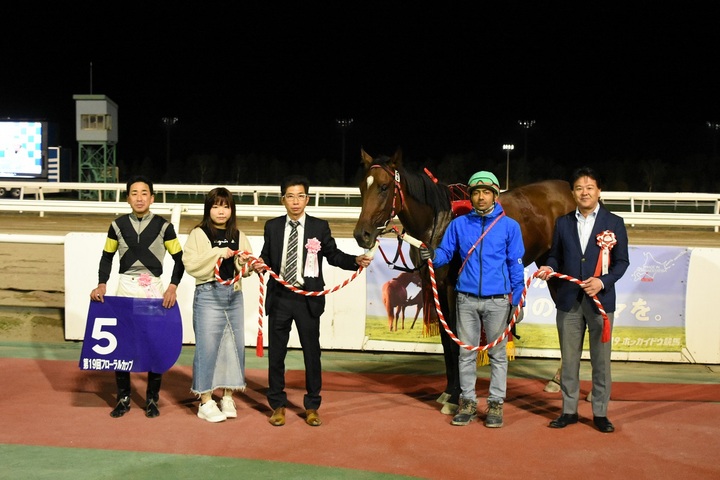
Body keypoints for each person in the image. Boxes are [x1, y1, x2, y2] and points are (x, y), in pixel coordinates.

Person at [253, 175, 372, 427]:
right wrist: (259, 264)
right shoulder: (272, 227)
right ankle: (278, 404)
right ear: (283, 200)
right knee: (276, 355)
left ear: (307, 199)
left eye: (300, 196)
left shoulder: (319, 227)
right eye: (290, 196)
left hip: (307, 300)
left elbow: (333, 255)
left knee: (311, 354)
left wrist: (354, 261)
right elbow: (266, 258)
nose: (295, 201)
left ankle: (312, 406)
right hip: (280, 298)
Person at [419, 170, 525, 428]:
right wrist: (433, 255)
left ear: (495, 195)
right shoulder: (459, 225)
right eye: (476, 193)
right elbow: (446, 253)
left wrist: (517, 299)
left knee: (497, 355)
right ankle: (467, 402)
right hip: (465, 299)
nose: (481, 197)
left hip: (498, 301)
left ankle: (496, 404)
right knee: (466, 354)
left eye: (486, 192)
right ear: (471, 196)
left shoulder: (510, 227)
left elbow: (515, 265)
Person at [536, 166, 629, 433]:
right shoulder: (563, 222)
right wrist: (550, 267)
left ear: (599, 191)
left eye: (589, 187)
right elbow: (555, 256)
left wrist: (603, 281)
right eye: (579, 188)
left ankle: (600, 413)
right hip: (569, 301)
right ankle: (569, 410)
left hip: (601, 302)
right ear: (573, 193)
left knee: (601, 361)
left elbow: (622, 262)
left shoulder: (614, 222)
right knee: (569, 359)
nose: (584, 192)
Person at [89, 175, 184, 418]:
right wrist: (102, 284)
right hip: (125, 289)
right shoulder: (117, 225)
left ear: (152, 198)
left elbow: (180, 260)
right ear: (127, 198)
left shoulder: (164, 227)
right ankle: (123, 399)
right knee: (122, 345)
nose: (139, 198)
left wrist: (172, 287)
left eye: (144, 193)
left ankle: (152, 399)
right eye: (134, 193)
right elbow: (107, 257)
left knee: (153, 344)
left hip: (153, 290)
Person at [183, 187, 253, 423]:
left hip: (234, 295)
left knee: (233, 346)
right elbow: (191, 264)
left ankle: (227, 396)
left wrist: (247, 264)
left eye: (225, 206)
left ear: (232, 210)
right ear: (208, 209)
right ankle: (205, 400)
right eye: (215, 206)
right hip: (208, 294)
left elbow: (244, 269)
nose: (221, 211)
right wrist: (219, 253)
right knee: (207, 348)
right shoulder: (198, 234)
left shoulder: (239, 234)